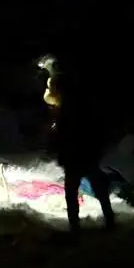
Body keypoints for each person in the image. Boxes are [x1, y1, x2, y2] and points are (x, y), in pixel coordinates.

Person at [40, 55, 115, 232]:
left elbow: (62, 132)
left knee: (73, 191)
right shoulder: (84, 105)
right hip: (86, 153)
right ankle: (108, 221)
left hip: (77, 154)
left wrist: (57, 148)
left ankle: (76, 226)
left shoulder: (67, 110)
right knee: (96, 187)